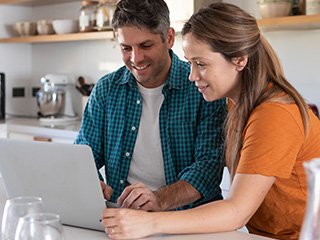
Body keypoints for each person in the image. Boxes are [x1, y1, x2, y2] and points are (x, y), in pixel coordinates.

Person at [101, 3, 320, 240]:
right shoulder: (237, 106)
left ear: (239, 60)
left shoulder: (274, 114)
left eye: (201, 64)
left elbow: (236, 211)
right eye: (190, 62)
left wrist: (150, 222)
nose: (192, 75)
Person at [75, 0, 226, 212]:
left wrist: (159, 199)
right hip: (126, 217)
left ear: (169, 38)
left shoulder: (202, 87)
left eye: (146, 46)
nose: (136, 58)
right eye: (126, 48)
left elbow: (209, 167)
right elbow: (84, 153)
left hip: (190, 219)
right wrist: (91, 182)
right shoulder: (106, 89)